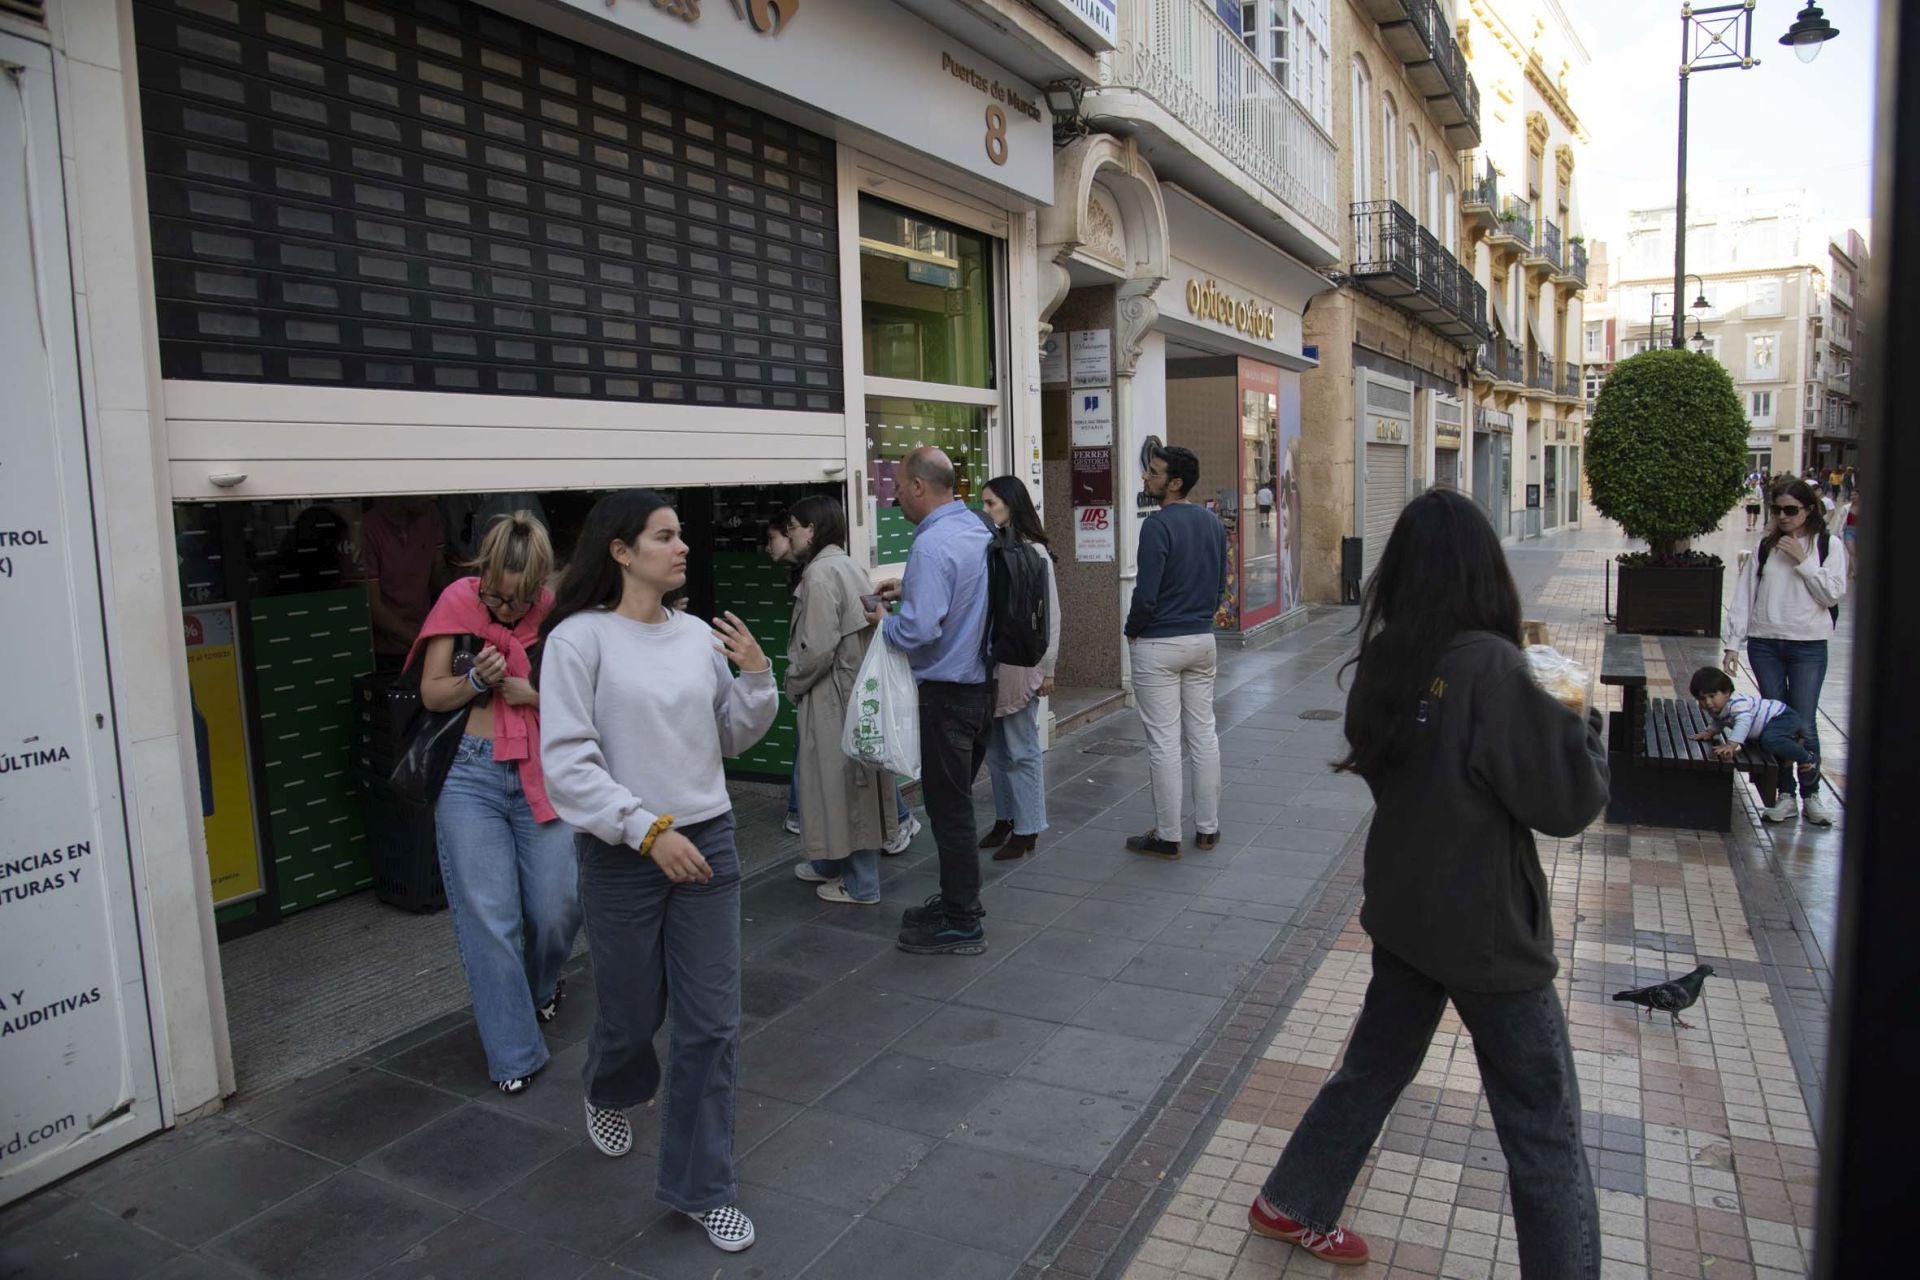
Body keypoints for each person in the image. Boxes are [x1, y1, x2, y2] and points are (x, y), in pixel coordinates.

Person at [1248, 488, 1608, 1273]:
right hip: (1485, 933)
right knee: (1544, 1129)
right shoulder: (1495, 667)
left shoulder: (1391, 656)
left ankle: (1293, 1199)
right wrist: (1578, 716)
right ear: (1483, 569)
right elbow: (1566, 804)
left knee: (1372, 1069)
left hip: (1406, 910)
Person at [539, 490, 776, 1254]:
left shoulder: (696, 639)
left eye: (680, 536)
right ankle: (610, 1083)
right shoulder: (579, 642)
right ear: (620, 550)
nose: (681, 548)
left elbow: (728, 738)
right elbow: (568, 767)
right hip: (623, 854)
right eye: (665, 536)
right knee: (632, 1011)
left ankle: (702, 1187)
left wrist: (758, 678)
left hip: (709, 840)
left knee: (711, 1025)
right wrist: (647, 832)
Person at [409, 512, 579, 1095]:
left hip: (539, 770)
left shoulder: (556, 614)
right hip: (470, 776)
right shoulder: (459, 600)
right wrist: (477, 682)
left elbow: (586, 698)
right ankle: (514, 1053)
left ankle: (540, 986)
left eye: (516, 601)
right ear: (482, 575)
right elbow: (433, 693)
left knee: (558, 908)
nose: (503, 611)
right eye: (495, 597)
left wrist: (531, 691)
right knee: (491, 920)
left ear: (537, 588)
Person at [864, 446, 993, 955]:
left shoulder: (933, 545)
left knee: (950, 811)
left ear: (919, 486)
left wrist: (884, 621)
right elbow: (963, 600)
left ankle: (963, 921)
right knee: (956, 805)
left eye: (898, 488)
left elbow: (919, 630)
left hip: (947, 696)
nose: (896, 498)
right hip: (983, 688)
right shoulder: (978, 530)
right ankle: (959, 901)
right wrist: (909, 592)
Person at [782, 496, 899, 905]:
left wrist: (791, 683)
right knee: (850, 782)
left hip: (832, 695)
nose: (789, 534)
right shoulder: (848, 564)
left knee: (841, 784)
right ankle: (830, 864)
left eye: (794, 525)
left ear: (812, 529)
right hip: (854, 690)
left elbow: (815, 650)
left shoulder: (818, 575)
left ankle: (861, 883)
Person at [1723, 477, 1846, 825]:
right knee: (1775, 723)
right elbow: (1746, 596)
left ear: (1809, 510)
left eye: (1791, 510)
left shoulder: (1827, 545)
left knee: (1803, 721)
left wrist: (1804, 561)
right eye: (1777, 510)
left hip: (1808, 645)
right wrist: (1733, 643)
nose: (1783, 516)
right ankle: (1785, 793)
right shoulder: (1765, 546)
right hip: (1766, 644)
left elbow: (1831, 595)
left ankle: (1812, 794)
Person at [1124, 445, 1227, 860]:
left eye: (1154, 472)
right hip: (1202, 641)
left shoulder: (1157, 526)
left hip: (1159, 644)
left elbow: (1145, 594)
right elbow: (1221, 584)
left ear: (1175, 483)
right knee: (1203, 734)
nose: (1146, 478)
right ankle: (1208, 829)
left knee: (1164, 741)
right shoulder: (1212, 523)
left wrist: (1132, 631)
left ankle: (1168, 836)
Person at [977, 476, 1060, 862]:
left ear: (1011, 504)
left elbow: (1051, 615)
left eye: (991, 503)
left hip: (1022, 662)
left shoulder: (1034, 554)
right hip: (993, 660)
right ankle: (1006, 818)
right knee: (995, 747)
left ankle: (1028, 828)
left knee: (1021, 747)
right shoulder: (994, 548)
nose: (986, 511)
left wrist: (1048, 668)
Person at [1686, 666, 1820, 812]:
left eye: (1712, 696)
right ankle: (1790, 764)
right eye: (1702, 698)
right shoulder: (1718, 708)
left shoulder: (1736, 704)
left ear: (1726, 692)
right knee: (1768, 742)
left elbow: (1743, 723)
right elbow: (1719, 720)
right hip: (1770, 724)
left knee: (1770, 741)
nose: (1708, 703)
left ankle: (1807, 757)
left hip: (1781, 717)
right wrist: (1710, 731)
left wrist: (1731, 744)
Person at [360, 495, 446, 666]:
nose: (435, 496)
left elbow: (440, 578)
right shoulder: (367, 528)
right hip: (386, 652)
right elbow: (371, 607)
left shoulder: (430, 514)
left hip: (426, 640)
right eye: (426, 488)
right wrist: (419, 641)